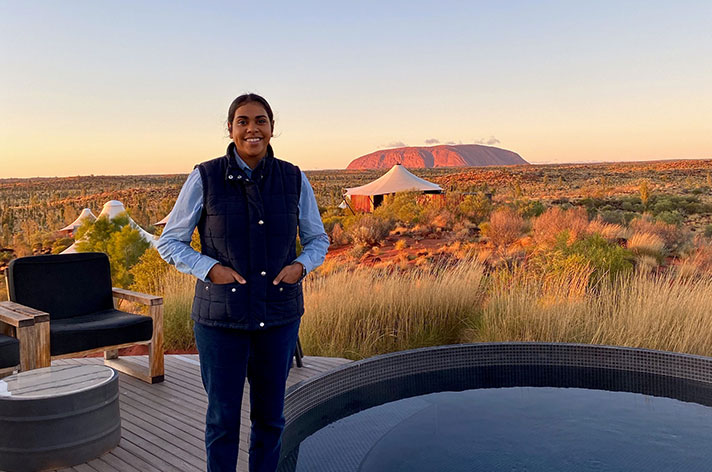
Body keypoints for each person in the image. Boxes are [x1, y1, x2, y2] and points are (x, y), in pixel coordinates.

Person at [157, 93, 329, 472]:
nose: (253, 128)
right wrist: (209, 268)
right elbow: (169, 242)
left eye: (261, 120)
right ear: (230, 128)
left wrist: (301, 266)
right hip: (221, 321)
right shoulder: (205, 176)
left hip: (279, 317)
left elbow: (318, 239)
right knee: (222, 421)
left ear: (272, 127)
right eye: (243, 121)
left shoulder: (293, 177)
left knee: (270, 420)